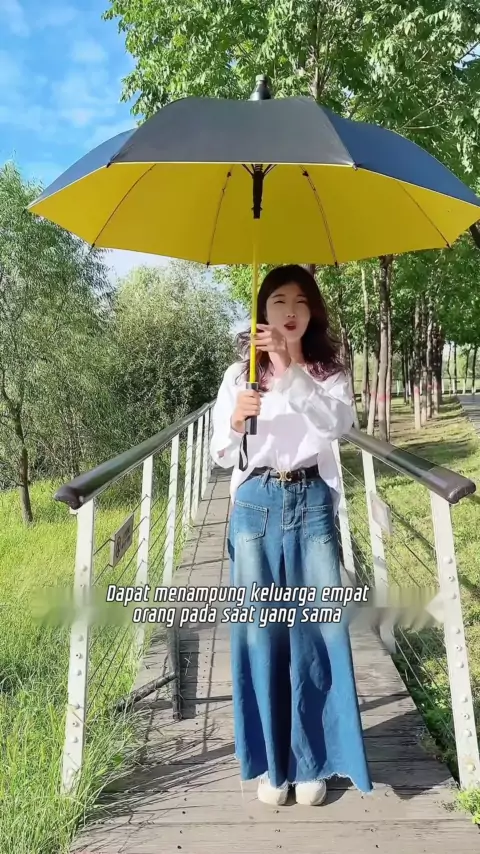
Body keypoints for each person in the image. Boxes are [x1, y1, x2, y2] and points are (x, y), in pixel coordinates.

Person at [209, 264, 372, 807]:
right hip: (255, 505)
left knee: (317, 631)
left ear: (313, 311)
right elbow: (221, 455)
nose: (290, 311)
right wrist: (235, 422)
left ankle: (312, 761)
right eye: (278, 301)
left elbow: (337, 426)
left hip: (312, 503)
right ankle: (272, 765)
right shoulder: (239, 376)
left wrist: (289, 370)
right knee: (261, 633)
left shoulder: (328, 373)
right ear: (263, 311)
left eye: (301, 301)